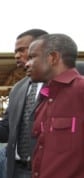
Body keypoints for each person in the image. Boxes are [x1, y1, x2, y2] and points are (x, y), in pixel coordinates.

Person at [0, 29, 48, 178]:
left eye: (22, 50)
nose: (17, 55)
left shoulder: (70, 79)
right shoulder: (17, 89)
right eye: (15, 52)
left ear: (41, 48)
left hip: (54, 170)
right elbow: (7, 131)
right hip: (19, 171)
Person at [27, 33, 84, 178]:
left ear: (53, 58)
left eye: (32, 57)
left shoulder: (81, 90)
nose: (27, 63)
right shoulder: (44, 98)